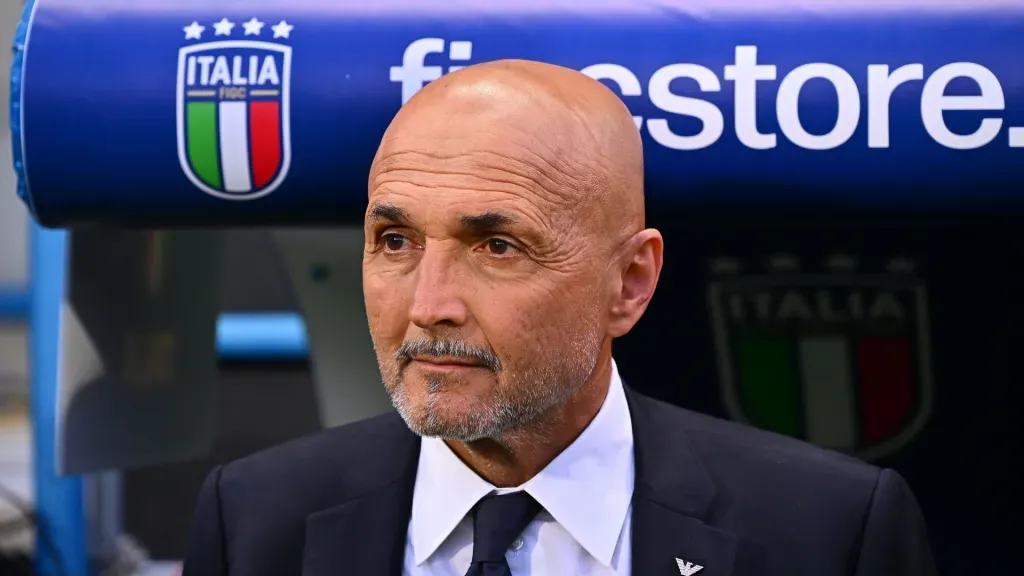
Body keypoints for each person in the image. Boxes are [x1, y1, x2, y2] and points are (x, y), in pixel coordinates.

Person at [182, 60, 936, 576]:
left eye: (497, 246)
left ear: (630, 283)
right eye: (396, 241)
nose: (428, 305)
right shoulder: (254, 522)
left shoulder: (828, 533)